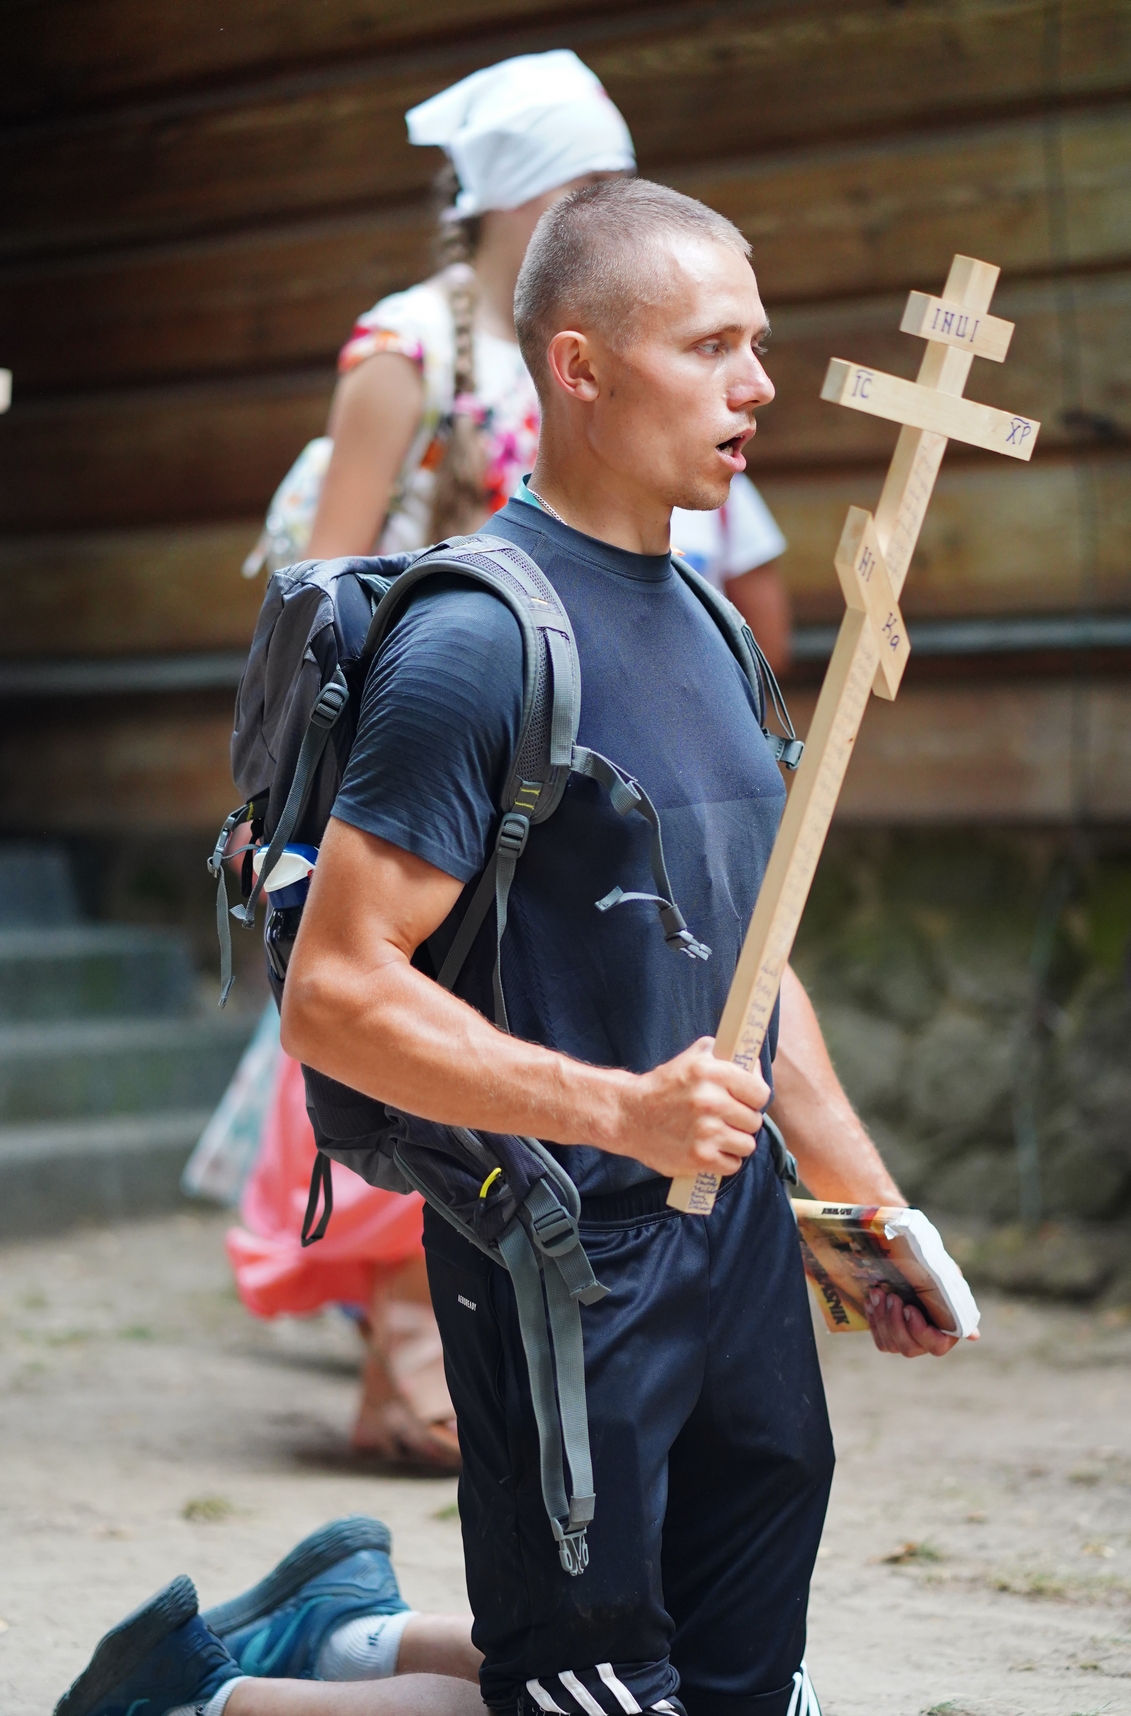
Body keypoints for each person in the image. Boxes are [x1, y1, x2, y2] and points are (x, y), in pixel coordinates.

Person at [56, 180, 959, 1716]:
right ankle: (195, 1699)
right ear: (582, 368)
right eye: (712, 347)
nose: (758, 382)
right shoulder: (478, 645)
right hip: (564, 1248)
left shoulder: (703, 622)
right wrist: (619, 1111)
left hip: (736, 1240)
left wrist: (859, 1214)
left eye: (758, 343)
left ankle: (347, 1625)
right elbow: (336, 996)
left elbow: (755, 967)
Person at [227, 51, 792, 1469]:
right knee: (425, 1032)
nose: (605, 212)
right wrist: (487, 615)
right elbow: (329, 581)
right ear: (503, 202)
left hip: (583, 751)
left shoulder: (653, 349)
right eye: (578, 190)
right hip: (461, 739)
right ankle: (414, 1362)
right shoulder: (407, 348)